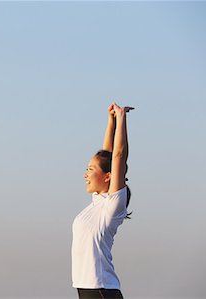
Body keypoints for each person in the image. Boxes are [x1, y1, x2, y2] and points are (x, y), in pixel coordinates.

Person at [71, 102, 134, 299]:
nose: (85, 175)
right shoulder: (98, 201)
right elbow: (107, 155)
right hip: (88, 289)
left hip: (101, 290)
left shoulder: (111, 207)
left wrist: (122, 117)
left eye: (90, 170)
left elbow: (117, 157)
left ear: (108, 176)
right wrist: (111, 121)